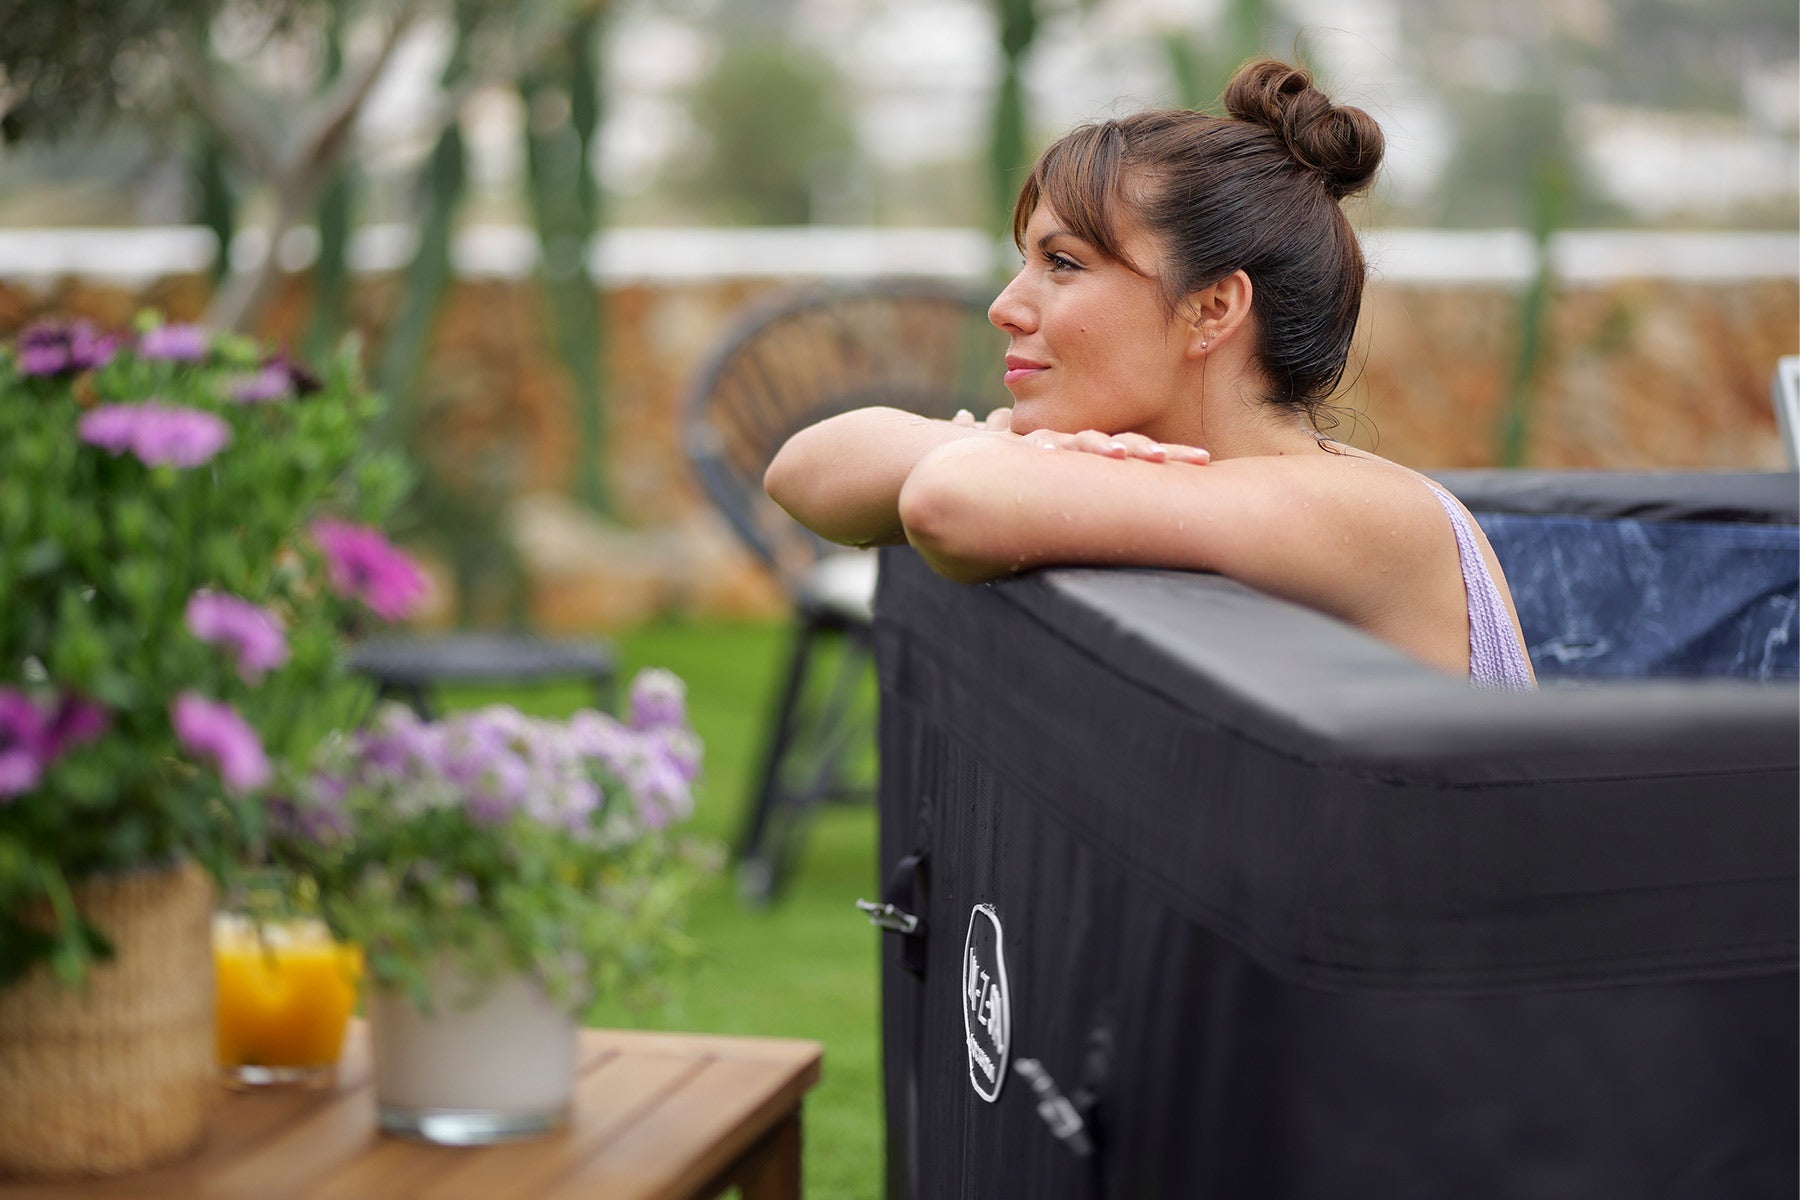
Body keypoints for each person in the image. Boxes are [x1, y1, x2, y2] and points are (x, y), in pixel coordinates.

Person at [765, 58, 1534, 688]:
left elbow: (949, 498)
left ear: (1212, 308)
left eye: (1063, 264)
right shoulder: (1135, 459)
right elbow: (805, 469)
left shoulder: (1364, 512)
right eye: (1024, 261)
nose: (1004, 307)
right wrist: (1039, 453)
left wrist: (1014, 455)